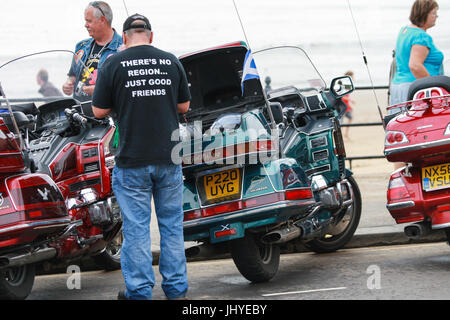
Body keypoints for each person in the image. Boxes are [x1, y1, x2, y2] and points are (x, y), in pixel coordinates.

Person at [91, 13, 191, 300]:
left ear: (123, 37)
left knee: (136, 230)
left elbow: (98, 111)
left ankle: (140, 293)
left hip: (132, 160)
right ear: (151, 35)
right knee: (172, 227)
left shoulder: (112, 64)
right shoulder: (170, 60)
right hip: (167, 158)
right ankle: (176, 290)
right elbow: (184, 106)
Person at [62, 1, 123, 102]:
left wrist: (101, 90)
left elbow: (127, 85)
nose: (85, 25)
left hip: (106, 112)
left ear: (102, 20)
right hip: (79, 111)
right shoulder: (81, 46)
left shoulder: (123, 48)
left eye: (89, 21)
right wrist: (68, 83)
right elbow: (73, 74)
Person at [389, 0, 443, 109]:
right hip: (416, 91)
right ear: (423, 13)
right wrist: (434, 88)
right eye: (433, 13)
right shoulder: (421, 36)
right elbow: (415, 66)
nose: (436, 16)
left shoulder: (405, 31)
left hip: (398, 87)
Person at [341, 71, 356, 139]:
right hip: (342, 107)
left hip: (346, 106)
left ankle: (346, 134)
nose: (353, 78)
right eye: (352, 76)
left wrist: (350, 106)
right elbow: (342, 97)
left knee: (350, 118)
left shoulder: (348, 85)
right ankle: (340, 136)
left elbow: (346, 96)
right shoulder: (344, 85)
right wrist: (351, 100)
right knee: (340, 123)